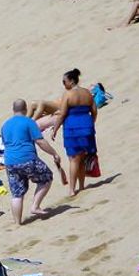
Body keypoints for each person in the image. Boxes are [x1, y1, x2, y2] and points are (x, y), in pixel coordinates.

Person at [0, 99, 67, 224]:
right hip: (27, 158)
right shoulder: (29, 122)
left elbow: (5, 143)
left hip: (10, 162)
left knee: (17, 194)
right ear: (25, 110)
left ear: (13, 110)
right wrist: (54, 153)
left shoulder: (5, 125)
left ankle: (17, 223)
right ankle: (35, 206)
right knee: (46, 178)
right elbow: (40, 141)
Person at [48, 68, 97, 197]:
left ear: (71, 81)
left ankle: (71, 189)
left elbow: (62, 114)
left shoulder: (68, 94)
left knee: (74, 159)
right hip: (87, 127)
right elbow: (94, 111)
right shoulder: (87, 93)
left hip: (72, 129)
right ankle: (81, 186)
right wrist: (90, 123)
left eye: (64, 82)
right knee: (82, 158)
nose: (63, 85)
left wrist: (55, 129)